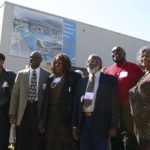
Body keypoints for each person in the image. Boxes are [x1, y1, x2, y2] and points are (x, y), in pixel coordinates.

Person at [72, 54, 119, 150]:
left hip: (101, 124)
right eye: (89, 62)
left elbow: (114, 105)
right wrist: (74, 125)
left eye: (94, 61)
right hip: (84, 123)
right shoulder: (81, 82)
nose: (91, 63)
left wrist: (113, 126)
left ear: (100, 65)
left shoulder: (109, 80)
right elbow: (76, 105)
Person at [39, 53, 81, 150]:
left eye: (60, 62)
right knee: (52, 141)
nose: (57, 64)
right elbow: (45, 101)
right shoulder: (50, 78)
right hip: (51, 116)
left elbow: (76, 100)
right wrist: (42, 119)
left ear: (66, 64)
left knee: (66, 142)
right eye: (56, 62)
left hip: (65, 116)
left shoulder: (73, 77)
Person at [9, 51, 50, 150]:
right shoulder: (21, 74)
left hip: (37, 109)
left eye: (36, 57)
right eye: (31, 57)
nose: (32, 59)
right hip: (24, 109)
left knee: (36, 137)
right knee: (22, 136)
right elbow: (15, 95)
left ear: (40, 60)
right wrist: (12, 113)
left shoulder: (47, 75)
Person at [105, 46, 143, 150]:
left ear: (124, 54)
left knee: (130, 139)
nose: (115, 53)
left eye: (118, 51)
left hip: (130, 110)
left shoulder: (134, 67)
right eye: (113, 52)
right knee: (115, 138)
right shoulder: (108, 71)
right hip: (113, 111)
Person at [129, 47, 150, 150]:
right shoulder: (144, 75)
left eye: (148, 56)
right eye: (143, 56)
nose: (144, 58)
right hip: (140, 126)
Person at [0, 53, 16, 150]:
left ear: (2, 62)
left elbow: (14, 93)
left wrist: (7, 91)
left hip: (4, 112)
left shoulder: (10, 75)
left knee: (3, 137)